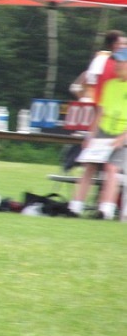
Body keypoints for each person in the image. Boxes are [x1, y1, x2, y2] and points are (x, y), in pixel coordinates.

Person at [69, 47, 127, 219]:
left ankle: (105, 210)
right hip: (103, 130)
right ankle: (75, 206)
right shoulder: (110, 85)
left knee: (111, 168)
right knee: (89, 165)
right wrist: (90, 135)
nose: (117, 65)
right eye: (116, 61)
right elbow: (100, 112)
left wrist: (122, 138)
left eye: (121, 62)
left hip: (122, 132)